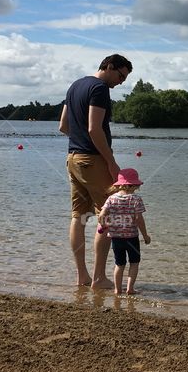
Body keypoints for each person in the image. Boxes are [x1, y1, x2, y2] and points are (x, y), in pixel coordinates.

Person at [59, 54, 132, 288]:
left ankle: (83, 276)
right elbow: (94, 128)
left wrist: (79, 141)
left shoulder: (75, 86)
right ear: (109, 66)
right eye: (121, 75)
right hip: (93, 159)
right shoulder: (99, 88)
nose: (121, 81)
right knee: (108, 215)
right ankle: (99, 278)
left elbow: (63, 126)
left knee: (78, 217)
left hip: (73, 158)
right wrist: (111, 161)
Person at [97, 168, 150, 295]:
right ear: (133, 185)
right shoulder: (135, 199)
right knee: (134, 262)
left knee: (119, 264)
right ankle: (130, 289)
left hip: (116, 238)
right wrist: (145, 235)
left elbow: (101, 215)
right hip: (131, 237)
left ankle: (117, 289)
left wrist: (104, 225)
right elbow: (139, 219)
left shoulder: (111, 198)